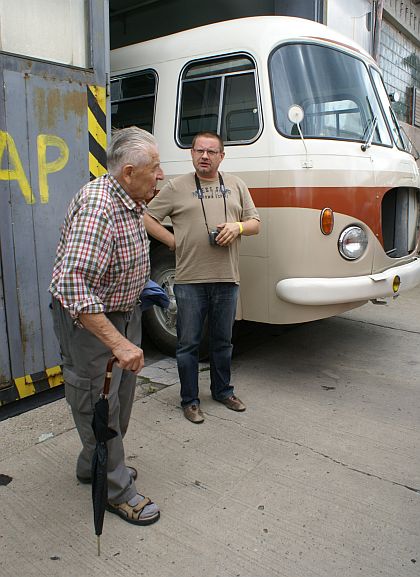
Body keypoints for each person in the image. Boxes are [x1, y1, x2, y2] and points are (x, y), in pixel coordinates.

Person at [49, 127, 164, 525]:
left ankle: (94, 466)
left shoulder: (129, 197)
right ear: (129, 172)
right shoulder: (99, 207)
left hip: (121, 312)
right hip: (92, 322)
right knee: (99, 407)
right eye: (155, 168)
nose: (161, 175)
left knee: (120, 402)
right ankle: (116, 490)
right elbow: (73, 285)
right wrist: (118, 342)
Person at [145, 131, 260, 424]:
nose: (204, 156)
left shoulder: (236, 185)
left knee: (223, 342)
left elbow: (255, 222)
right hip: (189, 280)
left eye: (211, 151)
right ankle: (190, 400)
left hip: (226, 279)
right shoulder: (176, 187)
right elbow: (146, 217)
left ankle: (223, 391)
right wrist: (171, 241)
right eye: (199, 151)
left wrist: (238, 227)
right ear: (192, 154)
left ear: (222, 156)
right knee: (188, 344)